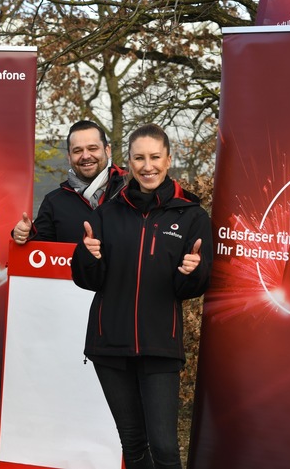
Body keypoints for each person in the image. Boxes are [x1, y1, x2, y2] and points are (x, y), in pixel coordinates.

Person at [71, 123, 213, 469]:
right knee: (133, 445)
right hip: (109, 345)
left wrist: (192, 271)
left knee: (164, 448)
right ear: (128, 163)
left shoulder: (191, 216)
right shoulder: (107, 212)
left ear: (168, 159)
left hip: (160, 347)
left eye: (154, 157)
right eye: (139, 158)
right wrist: (87, 256)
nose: (147, 166)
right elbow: (88, 280)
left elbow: (194, 288)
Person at [12, 120, 126, 244]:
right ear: (69, 157)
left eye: (92, 148)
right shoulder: (53, 202)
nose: (86, 156)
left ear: (107, 150)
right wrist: (27, 234)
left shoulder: (130, 187)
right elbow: (40, 252)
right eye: (77, 151)